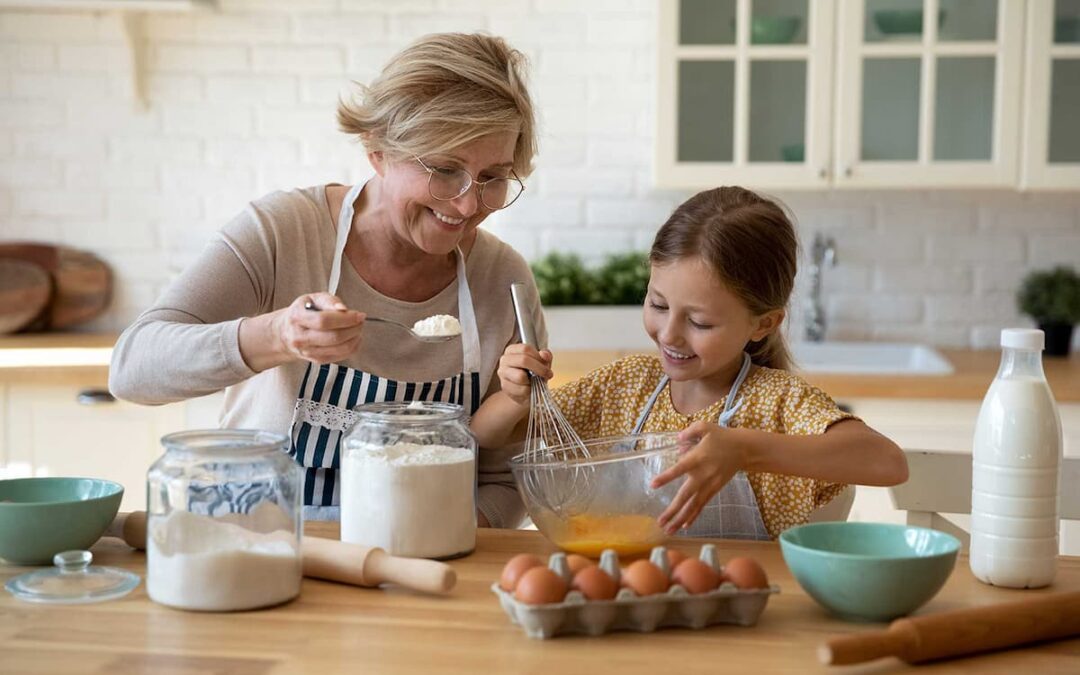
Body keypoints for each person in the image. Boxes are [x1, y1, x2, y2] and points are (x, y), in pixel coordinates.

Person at [109, 33, 547, 525]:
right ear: (377, 150)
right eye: (445, 170)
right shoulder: (284, 231)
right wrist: (277, 335)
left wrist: (439, 542)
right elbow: (133, 368)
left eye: (493, 177)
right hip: (258, 550)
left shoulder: (503, 280)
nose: (468, 204)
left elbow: (504, 479)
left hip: (423, 571)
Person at [470, 187, 908, 540]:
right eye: (658, 305)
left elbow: (888, 462)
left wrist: (743, 450)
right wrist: (514, 396)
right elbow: (485, 434)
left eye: (699, 321)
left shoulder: (776, 403)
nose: (670, 334)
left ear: (763, 324)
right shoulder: (624, 386)